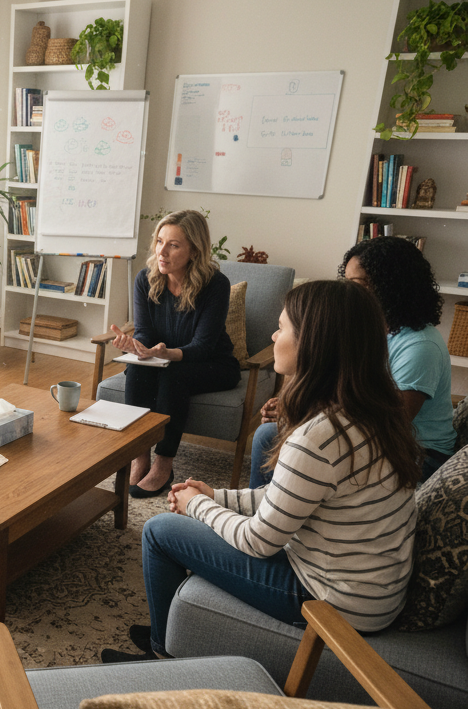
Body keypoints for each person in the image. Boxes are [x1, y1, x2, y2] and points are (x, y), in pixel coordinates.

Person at [103, 280, 420, 663]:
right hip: (368, 592)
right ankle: (168, 628)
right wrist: (216, 495)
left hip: (331, 603)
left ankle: (163, 656)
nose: (273, 335)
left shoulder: (317, 438)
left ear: (313, 343)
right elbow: (287, 498)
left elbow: (259, 541)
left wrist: (197, 507)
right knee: (201, 509)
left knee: (159, 530)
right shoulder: (370, 412)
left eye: (282, 327)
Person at [250, 235, 455, 487]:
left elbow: (390, 423)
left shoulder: (420, 346)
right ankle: (269, 507)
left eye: (359, 283)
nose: (350, 291)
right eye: (346, 281)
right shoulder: (366, 329)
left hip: (418, 453)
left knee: (276, 438)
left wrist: (304, 411)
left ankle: (274, 513)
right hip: (362, 427)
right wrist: (290, 405)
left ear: (392, 285)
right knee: (271, 435)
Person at [108, 209, 240, 498]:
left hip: (214, 364)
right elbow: (144, 331)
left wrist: (166, 354)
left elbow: (203, 346)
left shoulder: (216, 285)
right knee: (138, 367)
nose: (161, 252)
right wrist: (137, 346)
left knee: (173, 375)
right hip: (164, 357)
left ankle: (164, 464)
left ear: (194, 250)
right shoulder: (146, 279)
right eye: (159, 241)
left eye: (173, 245)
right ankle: (139, 455)